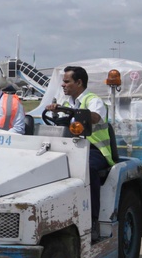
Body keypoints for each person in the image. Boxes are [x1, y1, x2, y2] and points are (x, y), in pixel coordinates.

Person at [46, 65, 114, 240]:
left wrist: (72, 112)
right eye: (63, 81)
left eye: (67, 81)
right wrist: (58, 109)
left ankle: (93, 222)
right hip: (73, 148)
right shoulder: (68, 103)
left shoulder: (94, 101)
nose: (63, 85)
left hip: (95, 150)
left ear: (79, 82)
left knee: (87, 169)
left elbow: (95, 117)